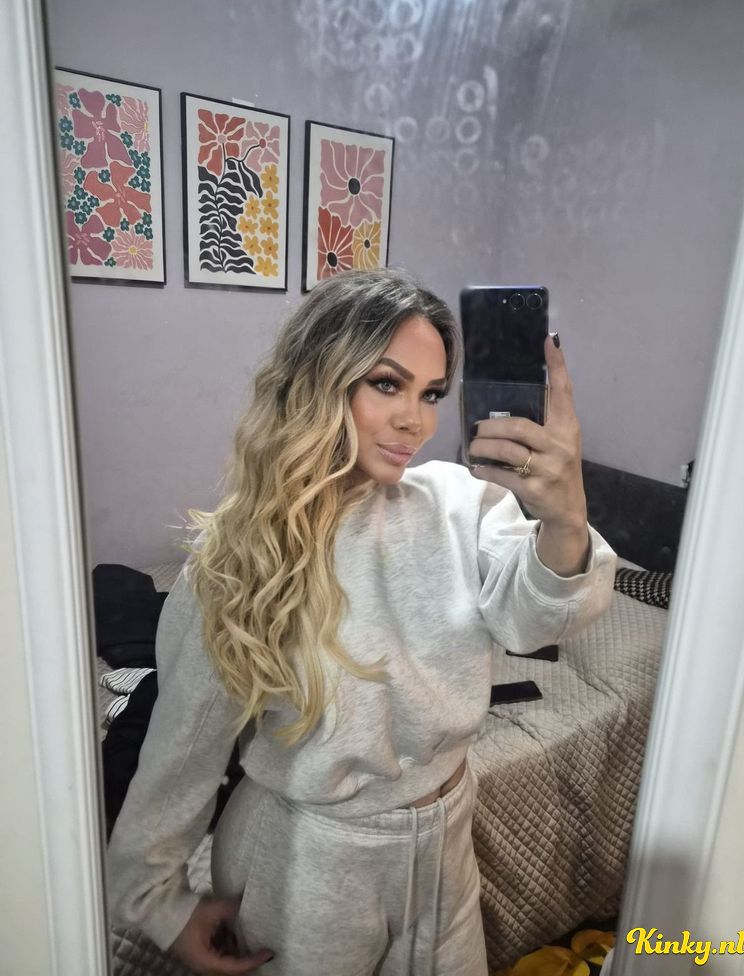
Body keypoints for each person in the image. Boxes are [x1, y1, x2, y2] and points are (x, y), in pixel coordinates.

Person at [108, 268, 616, 976]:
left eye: (431, 393)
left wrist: (564, 519)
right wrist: (158, 906)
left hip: (447, 840)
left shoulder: (459, 502)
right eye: (387, 383)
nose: (418, 421)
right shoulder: (239, 558)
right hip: (307, 863)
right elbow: (184, 752)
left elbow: (538, 617)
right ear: (319, 378)